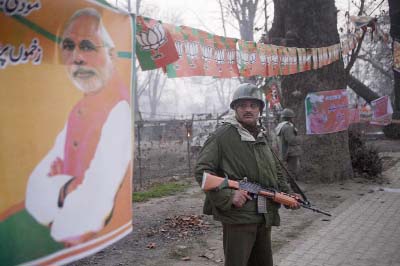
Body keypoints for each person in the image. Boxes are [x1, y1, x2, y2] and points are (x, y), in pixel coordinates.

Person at [25, 8, 131, 246]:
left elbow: (90, 210)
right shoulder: (77, 108)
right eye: (69, 46)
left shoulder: (118, 110)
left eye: (87, 46)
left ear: (111, 55)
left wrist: (58, 191)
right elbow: (34, 194)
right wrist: (67, 188)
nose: (77, 57)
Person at [195, 83, 300, 266]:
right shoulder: (223, 135)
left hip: (263, 214)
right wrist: (229, 195)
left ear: (260, 109)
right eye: (243, 106)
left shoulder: (261, 135)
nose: (248, 110)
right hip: (239, 217)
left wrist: (286, 194)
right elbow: (202, 171)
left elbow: (275, 169)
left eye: (253, 106)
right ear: (235, 109)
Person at [275, 108, 303, 179]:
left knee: (289, 170)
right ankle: (291, 187)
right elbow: (291, 140)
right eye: (292, 117)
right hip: (291, 152)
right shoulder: (287, 127)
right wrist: (300, 138)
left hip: (287, 151)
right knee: (292, 170)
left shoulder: (281, 126)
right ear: (290, 118)